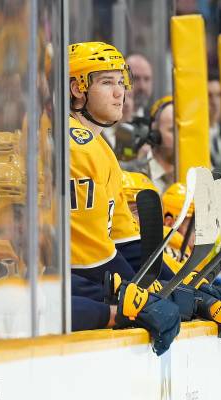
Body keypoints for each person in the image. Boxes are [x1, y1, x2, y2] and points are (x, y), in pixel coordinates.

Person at [67, 41, 180, 354]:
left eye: (121, 83)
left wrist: (183, 287)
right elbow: (92, 258)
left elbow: (124, 241)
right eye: (107, 82)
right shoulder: (75, 147)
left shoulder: (100, 147)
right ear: (78, 88)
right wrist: (140, 293)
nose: (121, 93)